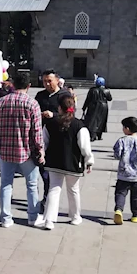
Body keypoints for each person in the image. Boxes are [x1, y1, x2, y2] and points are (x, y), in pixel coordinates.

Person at [0, 72, 43, 228]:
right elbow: (36, 131)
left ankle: (6, 218)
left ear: (13, 84)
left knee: (6, 184)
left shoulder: (1, 102)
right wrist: (40, 149)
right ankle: (33, 217)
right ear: (29, 86)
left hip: (6, 149)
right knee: (32, 185)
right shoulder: (32, 103)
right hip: (26, 151)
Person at [37, 93, 93, 230]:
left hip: (53, 162)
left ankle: (49, 220)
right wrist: (89, 161)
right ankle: (75, 217)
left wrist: (42, 155)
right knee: (73, 190)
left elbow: (44, 142)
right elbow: (84, 147)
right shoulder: (79, 125)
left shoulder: (50, 124)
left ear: (59, 108)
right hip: (73, 163)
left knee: (53, 189)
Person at [112, 116, 137, 224]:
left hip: (123, 174)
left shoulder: (121, 141)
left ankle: (119, 210)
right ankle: (135, 216)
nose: (122, 129)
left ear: (127, 129)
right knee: (136, 196)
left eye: (123, 127)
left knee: (120, 193)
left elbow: (117, 155)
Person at [82, 77, 113, 141]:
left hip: (93, 106)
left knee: (92, 121)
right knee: (102, 120)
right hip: (103, 107)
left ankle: (92, 136)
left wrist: (84, 107)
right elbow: (110, 98)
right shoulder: (106, 90)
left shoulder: (92, 90)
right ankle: (99, 135)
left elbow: (88, 99)